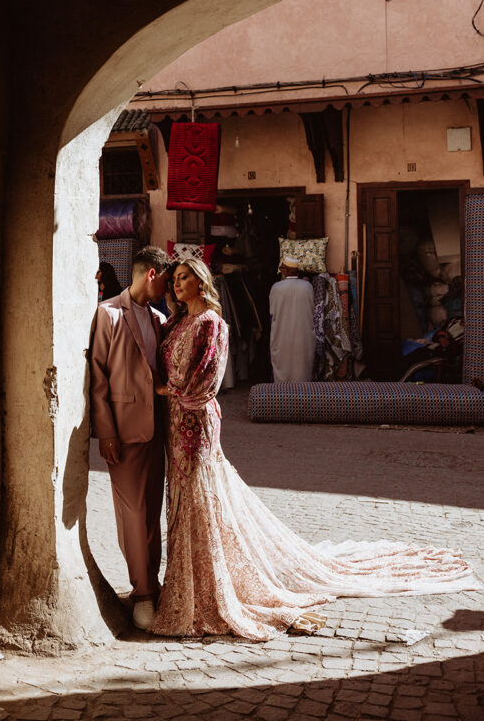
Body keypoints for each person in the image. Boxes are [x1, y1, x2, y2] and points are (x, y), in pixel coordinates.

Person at [150, 257, 479, 640]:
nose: (177, 283)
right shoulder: (177, 322)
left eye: (185, 276)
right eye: (174, 278)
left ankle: (206, 587)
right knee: (181, 499)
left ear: (201, 280)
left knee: (199, 498)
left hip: (196, 424)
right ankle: (185, 582)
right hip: (174, 425)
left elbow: (207, 380)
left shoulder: (212, 323)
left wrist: (166, 390)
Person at [90, 245, 173, 630]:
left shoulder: (159, 318)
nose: (168, 290)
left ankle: (150, 586)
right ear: (151, 274)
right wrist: (105, 430)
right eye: (166, 281)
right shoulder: (107, 313)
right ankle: (141, 594)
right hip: (121, 434)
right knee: (133, 516)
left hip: (156, 431)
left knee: (152, 513)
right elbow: (98, 377)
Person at [269, 252, 315, 383]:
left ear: (286, 270)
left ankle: (283, 400)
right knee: (301, 371)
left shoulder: (276, 288)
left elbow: (272, 313)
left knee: (283, 369)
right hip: (303, 337)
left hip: (281, 336)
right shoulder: (308, 287)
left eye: (282, 268)